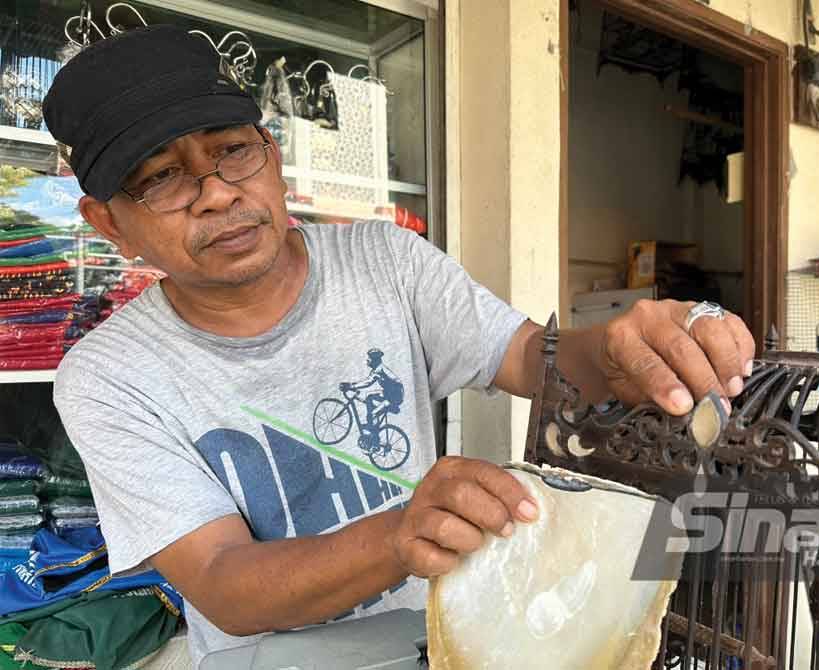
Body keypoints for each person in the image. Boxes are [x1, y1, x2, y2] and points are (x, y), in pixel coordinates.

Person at [43, 26, 756, 666]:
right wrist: (397, 536)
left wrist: (616, 349)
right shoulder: (108, 376)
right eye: (161, 178)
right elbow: (222, 581)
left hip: (435, 641)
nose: (218, 194)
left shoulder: (385, 260)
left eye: (232, 150)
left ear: (272, 157)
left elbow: (529, 358)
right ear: (109, 224)